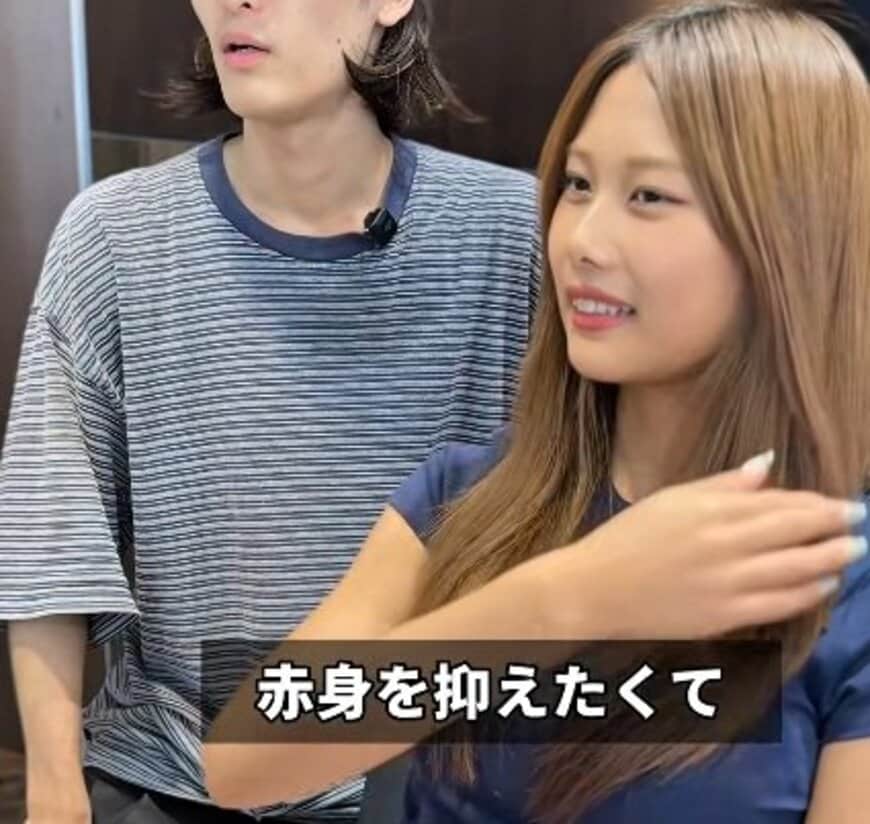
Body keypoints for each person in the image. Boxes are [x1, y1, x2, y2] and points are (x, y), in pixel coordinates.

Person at [202, 1, 870, 822]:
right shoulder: (467, 499)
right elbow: (243, 760)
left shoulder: (846, 585)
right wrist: (571, 597)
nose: (582, 238)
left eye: (650, 195)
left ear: (790, 237)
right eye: (579, 185)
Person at [0, 1, 540, 822]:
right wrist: (54, 790)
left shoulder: (513, 233)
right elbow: (52, 536)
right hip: (175, 775)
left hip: (432, 783)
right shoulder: (113, 235)